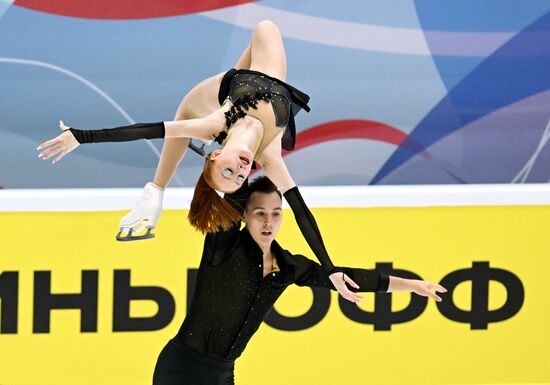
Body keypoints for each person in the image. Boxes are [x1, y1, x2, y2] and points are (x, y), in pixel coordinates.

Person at [37, 20, 363, 302]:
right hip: (268, 86)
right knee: (266, 29)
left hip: (218, 96)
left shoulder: (214, 124)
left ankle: (155, 189)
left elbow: (148, 130)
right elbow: (303, 212)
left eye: (228, 170)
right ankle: (157, 191)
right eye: (239, 177)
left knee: (183, 118)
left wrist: (81, 135)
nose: (241, 168)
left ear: (217, 153)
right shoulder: (269, 154)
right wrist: (331, 269)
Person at [151, 176, 447, 385]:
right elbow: (233, 186)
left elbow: (346, 277)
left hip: (223, 373)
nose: (268, 222)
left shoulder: (289, 267)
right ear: (244, 216)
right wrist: (252, 138)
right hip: (182, 368)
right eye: (260, 213)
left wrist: (411, 285)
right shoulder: (224, 246)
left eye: (276, 214)